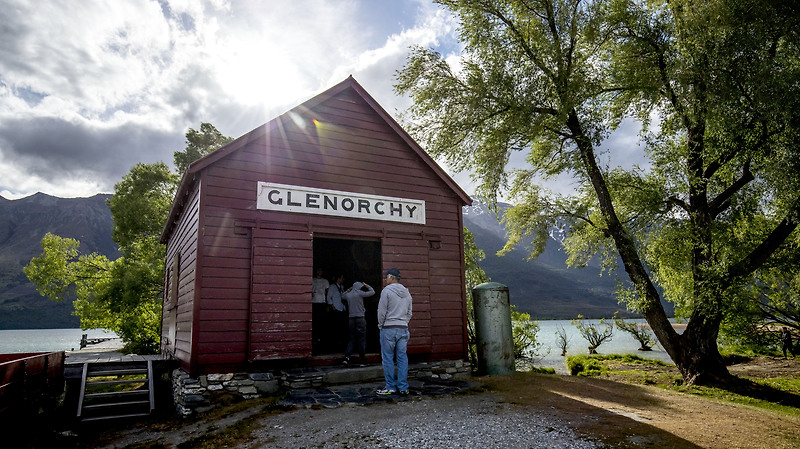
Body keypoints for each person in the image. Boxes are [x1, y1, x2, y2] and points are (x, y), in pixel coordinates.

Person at [376, 267, 412, 396]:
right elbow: (409, 312)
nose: (386, 279)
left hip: (388, 329)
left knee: (388, 358)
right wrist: (404, 323)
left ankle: (390, 387)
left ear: (391, 277)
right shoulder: (407, 293)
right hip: (403, 328)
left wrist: (381, 325)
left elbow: (381, 312)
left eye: (387, 277)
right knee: (402, 358)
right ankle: (403, 387)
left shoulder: (386, 291)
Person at [342, 280, 375, 366]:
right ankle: (362, 361)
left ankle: (347, 358)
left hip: (351, 319)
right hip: (360, 318)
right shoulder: (360, 293)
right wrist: (366, 285)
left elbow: (342, 296)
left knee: (352, 338)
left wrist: (349, 289)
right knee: (361, 339)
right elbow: (372, 292)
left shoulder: (348, 295)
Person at [326, 273, 347, 351]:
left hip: (342, 308)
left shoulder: (342, 287)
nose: (343, 280)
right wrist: (332, 306)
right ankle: (335, 343)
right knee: (335, 326)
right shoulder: (332, 286)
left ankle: (341, 342)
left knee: (342, 326)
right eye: (342, 278)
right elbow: (328, 297)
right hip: (336, 309)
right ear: (338, 278)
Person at [311, 268, 329, 351]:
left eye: (321, 270)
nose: (319, 272)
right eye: (318, 270)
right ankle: (314, 339)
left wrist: (327, 304)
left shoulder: (325, 281)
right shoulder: (312, 280)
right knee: (314, 321)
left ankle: (320, 340)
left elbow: (327, 292)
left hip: (322, 303)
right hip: (314, 303)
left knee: (321, 321)